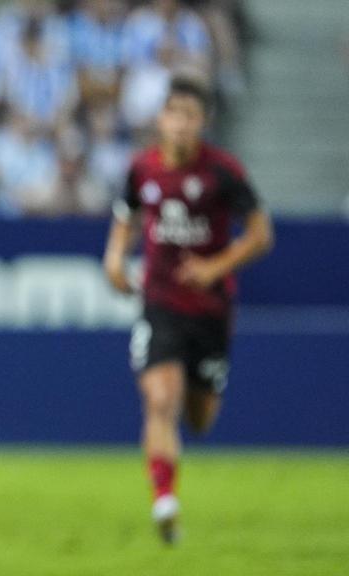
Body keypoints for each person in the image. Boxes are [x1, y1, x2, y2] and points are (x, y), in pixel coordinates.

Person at [103, 76, 273, 544]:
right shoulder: (141, 168)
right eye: (173, 113)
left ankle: (168, 476)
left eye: (190, 116)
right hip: (159, 301)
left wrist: (215, 266)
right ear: (160, 119)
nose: (180, 124)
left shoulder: (222, 172)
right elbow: (125, 216)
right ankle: (164, 498)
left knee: (199, 418)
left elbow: (261, 233)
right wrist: (115, 259)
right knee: (160, 398)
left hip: (211, 310)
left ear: (203, 123)